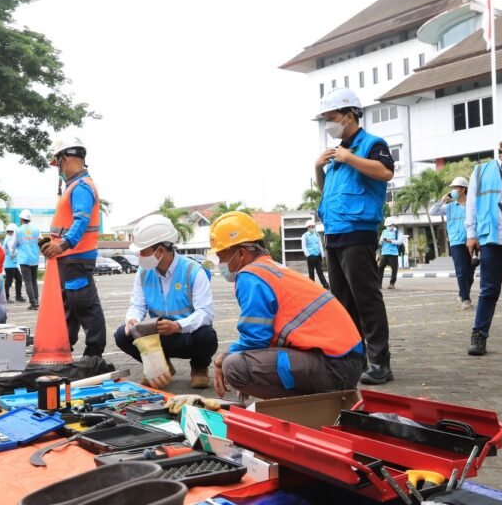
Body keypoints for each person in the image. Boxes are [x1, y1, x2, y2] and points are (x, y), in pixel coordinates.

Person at [209, 212, 364, 399]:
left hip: (335, 367)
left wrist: (222, 359)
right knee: (243, 361)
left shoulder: (250, 276)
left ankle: (298, 408)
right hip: (345, 362)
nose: (221, 264)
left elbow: (255, 338)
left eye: (222, 257)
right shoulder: (270, 269)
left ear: (241, 253)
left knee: (233, 366)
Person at [314, 87, 393, 385]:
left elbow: (385, 172)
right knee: (343, 301)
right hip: (334, 232)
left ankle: (380, 363)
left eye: (331, 118)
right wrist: (318, 167)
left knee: (366, 299)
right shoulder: (338, 154)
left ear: (349, 116)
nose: (328, 124)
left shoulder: (372, 144)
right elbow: (329, 194)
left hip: (358, 231)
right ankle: (355, 358)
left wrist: (349, 158)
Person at [114, 214, 218, 389]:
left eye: (143, 251)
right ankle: (160, 366)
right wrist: (132, 320)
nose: (139, 256)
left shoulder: (194, 271)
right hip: (159, 336)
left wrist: (178, 326)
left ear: (160, 251)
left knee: (207, 336)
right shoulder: (143, 272)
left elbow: (205, 313)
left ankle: (199, 368)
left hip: (187, 335)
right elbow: (137, 305)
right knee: (122, 335)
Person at [41, 137, 107, 358]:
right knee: (69, 308)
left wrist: (63, 245)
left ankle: (94, 355)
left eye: (58, 162)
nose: (58, 168)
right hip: (69, 258)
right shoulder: (74, 187)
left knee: (84, 304)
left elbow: (81, 221)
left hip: (77, 257)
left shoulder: (80, 187)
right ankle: (63, 350)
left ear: (66, 158)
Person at [465, 122, 502, 356]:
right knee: (489, 290)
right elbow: (471, 205)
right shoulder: (481, 171)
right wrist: (471, 234)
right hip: (491, 239)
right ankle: (479, 336)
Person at [430, 177, 474, 309]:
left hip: (472, 241)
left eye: (456, 188)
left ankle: (462, 293)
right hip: (456, 242)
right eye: (452, 188)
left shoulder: (472, 205)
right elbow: (433, 212)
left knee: (470, 272)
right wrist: (442, 200)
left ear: (463, 189)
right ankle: (466, 299)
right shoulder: (449, 207)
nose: (453, 190)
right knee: (461, 271)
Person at [17, 209, 41, 310]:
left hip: (24, 259)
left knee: (28, 281)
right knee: (34, 280)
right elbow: (40, 239)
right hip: (34, 258)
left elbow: (14, 244)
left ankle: (33, 303)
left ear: (21, 219)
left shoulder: (18, 230)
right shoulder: (36, 228)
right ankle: (36, 300)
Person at [301, 219, 329, 288]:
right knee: (311, 272)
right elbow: (304, 246)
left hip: (318, 255)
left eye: (313, 226)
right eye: (310, 226)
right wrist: (308, 255)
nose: (312, 227)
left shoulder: (317, 234)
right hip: (310, 256)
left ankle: (325, 285)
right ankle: (312, 286)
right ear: (307, 227)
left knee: (320, 271)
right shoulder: (305, 236)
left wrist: (322, 255)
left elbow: (320, 245)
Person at [378, 218, 403, 290]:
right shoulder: (384, 232)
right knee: (380, 268)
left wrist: (390, 241)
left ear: (393, 225)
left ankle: (392, 284)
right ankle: (379, 284)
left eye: (389, 225)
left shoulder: (398, 232)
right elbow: (380, 242)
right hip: (385, 252)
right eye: (387, 226)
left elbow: (400, 242)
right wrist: (382, 241)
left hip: (393, 253)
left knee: (394, 269)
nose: (388, 227)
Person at [3, 222, 26, 303]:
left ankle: (18, 296)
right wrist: (18, 253)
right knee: (9, 282)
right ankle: (6, 297)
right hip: (9, 264)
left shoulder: (8, 238)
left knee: (19, 279)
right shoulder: (9, 239)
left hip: (12, 264)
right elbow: (12, 250)